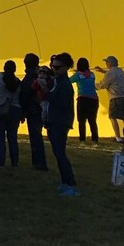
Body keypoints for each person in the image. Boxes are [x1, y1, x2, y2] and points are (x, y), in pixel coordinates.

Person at [47, 52, 80, 196]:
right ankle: (65, 182)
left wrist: (46, 93)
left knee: (60, 154)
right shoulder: (59, 82)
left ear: (66, 67)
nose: (54, 69)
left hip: (60, 122)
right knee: (58, 153)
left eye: (57, 67)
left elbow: (61, 104)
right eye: (53, 67)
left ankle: (71, 184)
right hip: (57, 121)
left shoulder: (65, 85)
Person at [19, 53, 48, 171]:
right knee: (37, 137)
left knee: (35, 138)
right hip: (40, 109)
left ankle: (39, 163)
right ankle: (39, 163)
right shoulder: (41, 77)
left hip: (33, 111)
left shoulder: (27, 80)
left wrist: (23, 113)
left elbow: (24, 98)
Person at [96, 55, 124, 143]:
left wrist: (91, 85)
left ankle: (118, 137)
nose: (106, 64)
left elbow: (103, 84)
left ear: (110, 63)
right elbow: (114, 76)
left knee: (113, 117)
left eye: (107, 62)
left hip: (116, 97)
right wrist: (104, 72)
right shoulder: (121, 71)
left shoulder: (110, 73)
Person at [70, 57, 100, 143]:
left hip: (82, 99)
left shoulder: (78, 75)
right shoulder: (92, 74)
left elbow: (69, 81)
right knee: (92, 120)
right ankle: (95, 139)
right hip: (93, 99)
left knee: (81, 120)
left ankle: (82, 139)